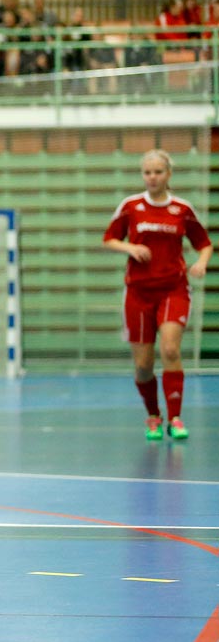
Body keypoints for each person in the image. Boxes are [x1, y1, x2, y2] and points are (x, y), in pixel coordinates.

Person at [102, 149, 211, 441]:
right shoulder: (131, 206)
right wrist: (130, 248)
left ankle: (175, 417)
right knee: (143, 365)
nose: (152, 177)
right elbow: (109, 239)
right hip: (138, 292)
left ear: (168, 174)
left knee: (171, 350)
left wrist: (200, 262)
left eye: (158, 172)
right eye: (147, 172)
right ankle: (153, 414)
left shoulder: (182, 209)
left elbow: (204, 244)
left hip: (173, 289)